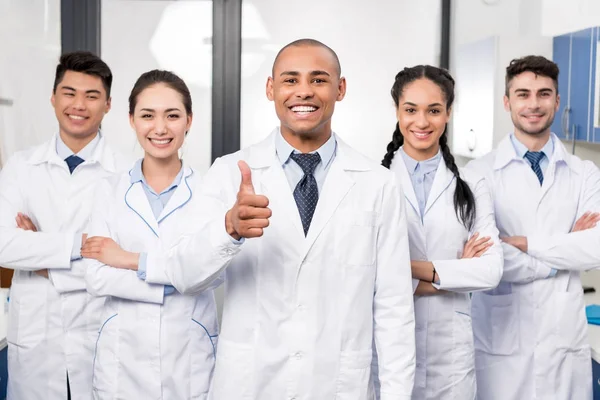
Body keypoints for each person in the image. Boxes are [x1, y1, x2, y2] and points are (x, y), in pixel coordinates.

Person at [109, 38, 415, 399]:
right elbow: (184, 274)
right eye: (290, 80)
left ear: (340, 88)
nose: (304, 91)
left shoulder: (377, 184)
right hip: (251, 383)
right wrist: (229, 230)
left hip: (338, 384)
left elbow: (394, 310)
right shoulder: (228, 172)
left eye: (318, 80)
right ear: (271, 89)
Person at [467, 55, 600, 400]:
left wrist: (524, 242)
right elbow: (488, 261)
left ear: (557, 102)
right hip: (502, 350)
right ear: (507, 102)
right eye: (523, 94)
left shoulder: (585, 173)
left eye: (544, 93)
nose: (534, 104)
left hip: (564, 344)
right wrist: (566, 248)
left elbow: (595, 249)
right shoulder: (478, 173)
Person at [81, 70, 220, 399]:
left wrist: (130, 260)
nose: (160, 128)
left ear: (189, 120)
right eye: (147, 115)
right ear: (131, 120)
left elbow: (212, 274)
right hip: (121, 361)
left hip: (188, 356)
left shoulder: (211, 191)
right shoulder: (108, 190)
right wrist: (175, 278)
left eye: (172, 115)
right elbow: (96, 276)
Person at [0, 51, 129, 400]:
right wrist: (82, 246)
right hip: (36, 345)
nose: (79, 105)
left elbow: (124, 263)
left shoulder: (126, 173)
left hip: (98, 338)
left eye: (92, 96)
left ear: (108, 105)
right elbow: (3, 246)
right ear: (54, 98)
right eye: (69, 93)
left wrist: (40, 252)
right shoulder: (21, 166)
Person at [378, 65, 503, 399]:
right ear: (397, 112)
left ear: (448, 113)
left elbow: (490, 271)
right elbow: (361, 274)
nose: (422, 122)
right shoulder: (372, 182)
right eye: (411, 110)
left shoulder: (472, 183)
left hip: (451, 358)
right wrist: (454, 272)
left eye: (434, 110)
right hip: (388, 350)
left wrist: (403, 269)